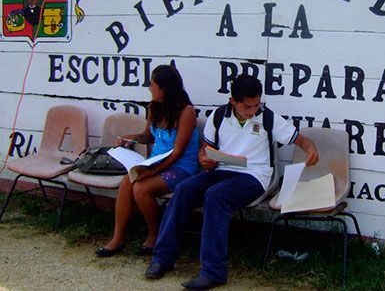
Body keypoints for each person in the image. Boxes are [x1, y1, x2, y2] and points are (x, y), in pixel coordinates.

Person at [144, 74, 319, 290]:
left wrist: (310, 148)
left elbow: (302, 140)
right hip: (223, 170)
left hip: (255, 177)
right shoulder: (218, 116)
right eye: (247, 106)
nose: (253, 110)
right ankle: (162, 258)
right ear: (233, 101)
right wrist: (204, 159)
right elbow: (205, 149)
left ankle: (213, 272)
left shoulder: (267, 118)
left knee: (216, 196)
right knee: (184, 189)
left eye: (257, 104)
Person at [95, 64, 200, 257]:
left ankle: (155, 235)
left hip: (180, 167)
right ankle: (117, 238)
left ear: (164, 88)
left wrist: (152, 172)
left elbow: (177, 152)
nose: (150, 88)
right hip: (154, 162)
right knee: (127, 183)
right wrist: (132, 138)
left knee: (141, 188)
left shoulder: (186, 112)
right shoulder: (154, 107)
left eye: (152, 84)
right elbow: (148, 136)